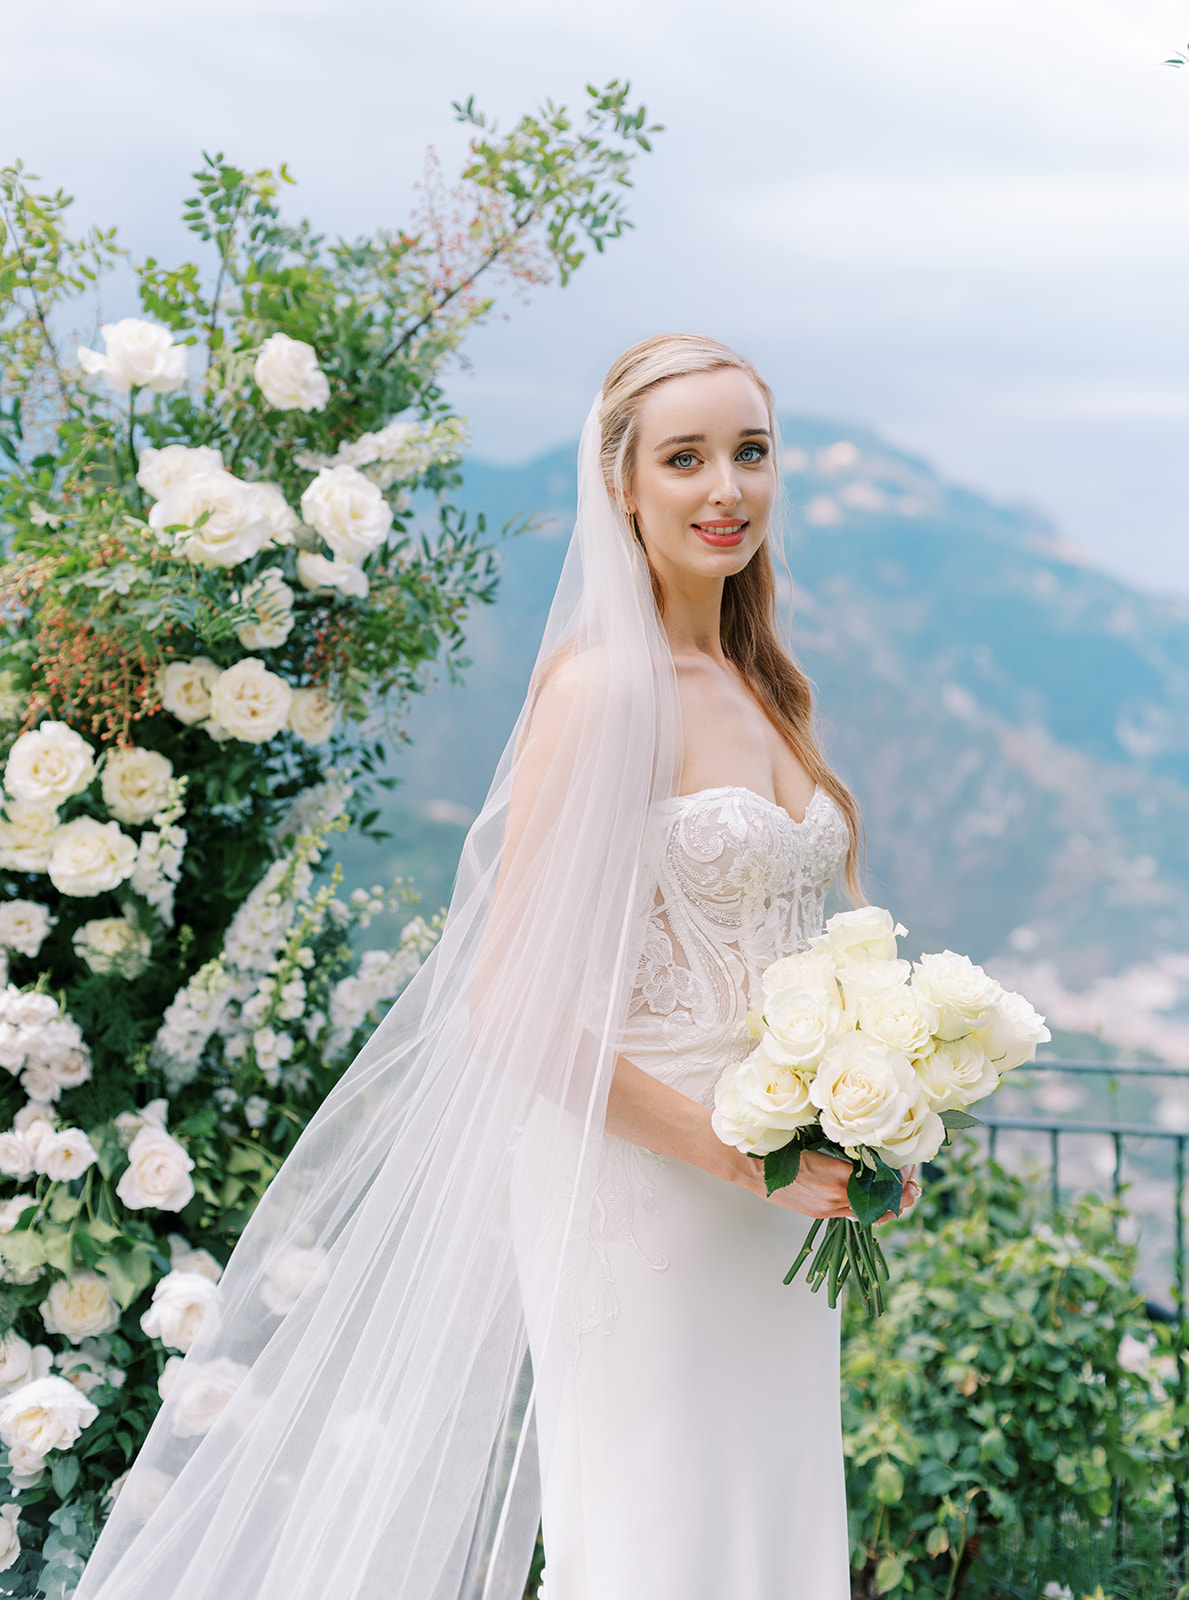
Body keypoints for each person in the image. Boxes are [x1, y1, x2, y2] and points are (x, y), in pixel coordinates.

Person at [77, 334, 915, 1600]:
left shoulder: (761, 682)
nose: (725, 487)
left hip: (777, 1206)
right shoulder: (600, 692)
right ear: (621, 483)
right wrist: (741, 1153)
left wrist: (876, 1104)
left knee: (766, 1519)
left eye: (750, 450)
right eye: (684, 457)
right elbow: (511, 1005)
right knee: (655, 1533)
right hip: (647, 1183)